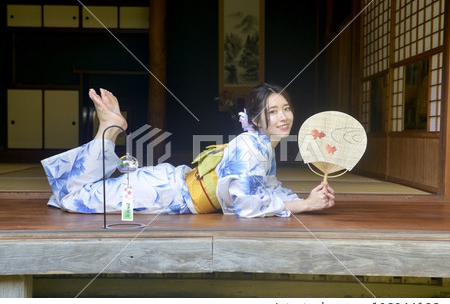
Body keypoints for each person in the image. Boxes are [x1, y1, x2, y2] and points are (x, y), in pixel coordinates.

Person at [41, 83, 335, 217]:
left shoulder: (262, 148)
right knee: (72, 198)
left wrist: (307, 198)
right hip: (162, 192)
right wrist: (305, 205)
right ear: (256, 120)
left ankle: (108, 129)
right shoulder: (251, 148)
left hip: (167, 188)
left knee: (80, 193)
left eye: (286, 108)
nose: (283, 117)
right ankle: (110, 129)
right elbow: (247, 204)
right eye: (274, 111)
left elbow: (267, 188)